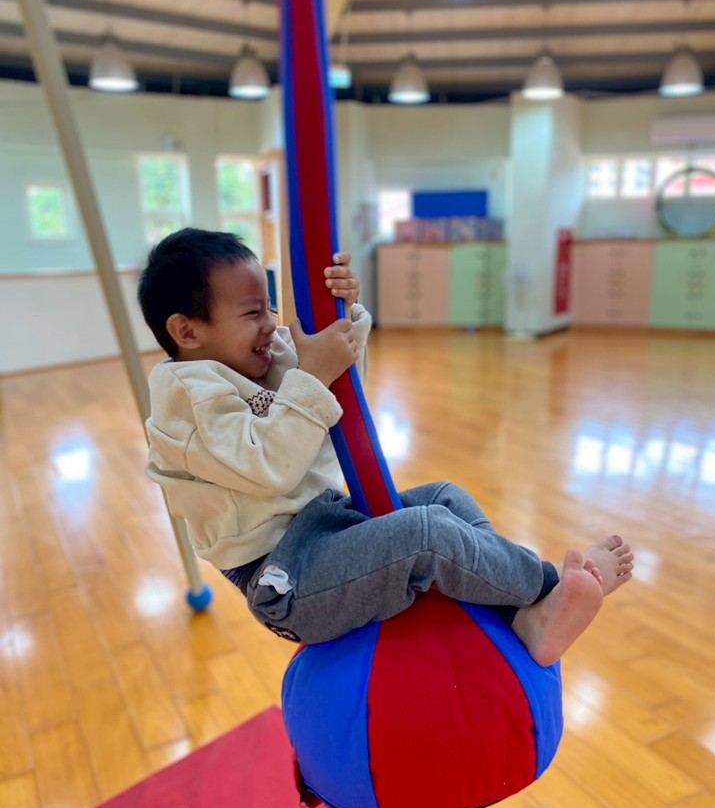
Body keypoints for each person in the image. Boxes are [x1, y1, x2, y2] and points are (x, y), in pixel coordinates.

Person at [138, 228, 633, 665]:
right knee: (424, 532)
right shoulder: (188, 395)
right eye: (251, 313)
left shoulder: (260, 359)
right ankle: (547, 587)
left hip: (327, 527)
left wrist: (345, 312)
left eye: (268, 306)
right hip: (285, 579)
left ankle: (520, 612)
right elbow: (267, 466)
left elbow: (341, 388)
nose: (269, 323)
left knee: (444, 498)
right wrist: (312, 375)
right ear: (187, 331)